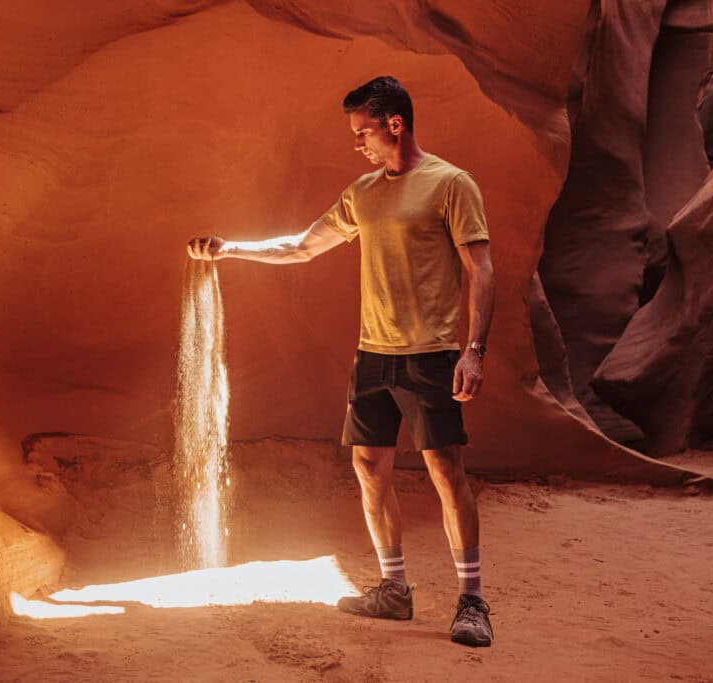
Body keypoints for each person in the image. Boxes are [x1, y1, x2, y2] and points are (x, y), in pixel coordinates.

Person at [187, 76, 496, 647]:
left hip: (431, 357)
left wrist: (474, 350)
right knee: (368, 468)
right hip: (372, 357)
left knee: (445, 473)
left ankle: (472, 601)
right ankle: (393, 591)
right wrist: (232, 248)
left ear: (394, 124)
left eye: (363, 133)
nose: (358, 144)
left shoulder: (452, 184)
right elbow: (302, 245)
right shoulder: (363, 192)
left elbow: (480, 268)